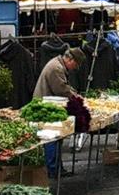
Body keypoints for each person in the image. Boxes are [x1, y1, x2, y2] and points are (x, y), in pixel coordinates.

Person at [33, 48, 87, 178]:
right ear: (70, 59)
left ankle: (57, 168)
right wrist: (78, 99)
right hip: (46, 107)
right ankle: (53, 170)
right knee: (52, 137)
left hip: (51, 106)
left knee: (57, 137)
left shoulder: (58, 65)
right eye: (76, 64)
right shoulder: (56, 68)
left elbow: (65, 87)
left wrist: (76, 95)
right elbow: (62, 89)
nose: (75, 68)